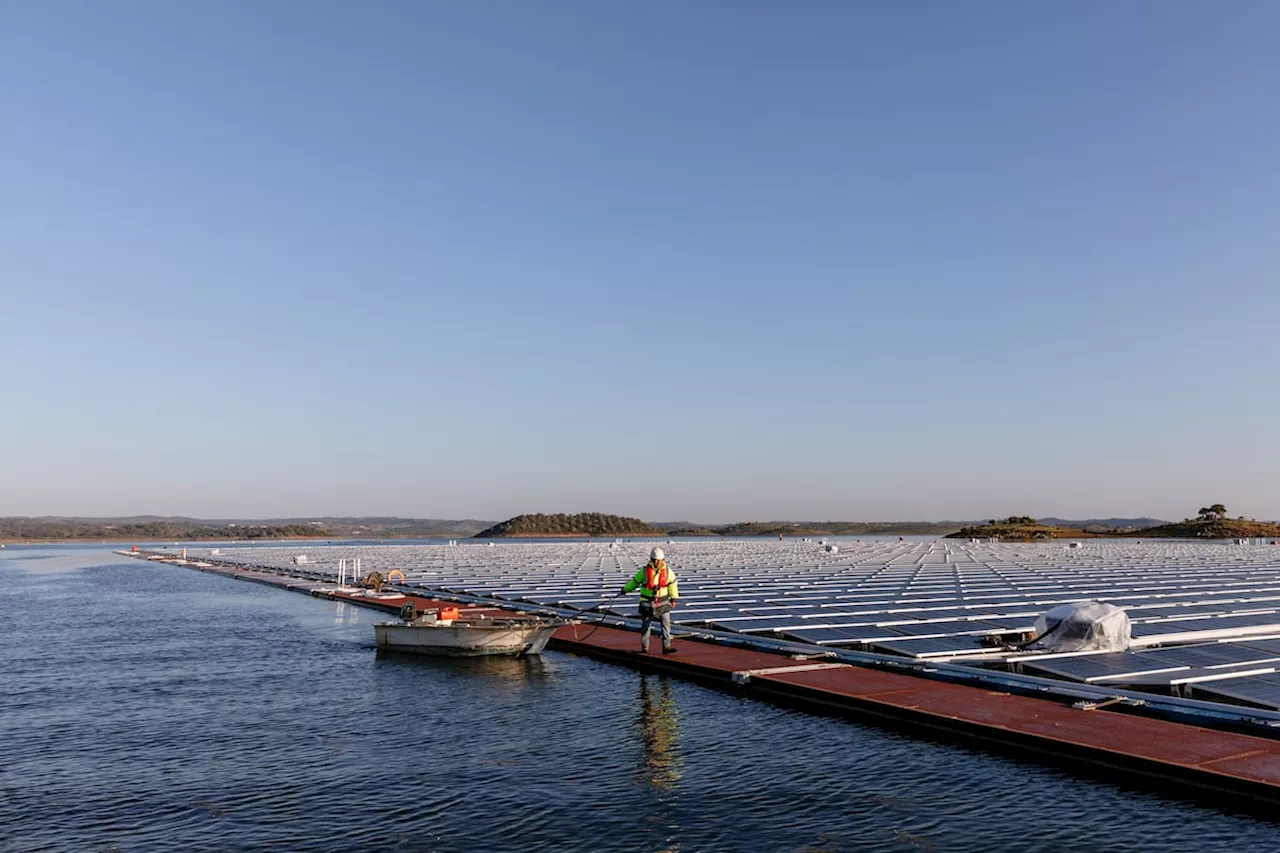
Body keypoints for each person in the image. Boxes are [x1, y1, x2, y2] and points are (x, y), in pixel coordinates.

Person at [622, 547, 680, 654]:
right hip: (647, 603)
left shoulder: (668, 571)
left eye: (659, 560)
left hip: (663, 602)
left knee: (666, 624)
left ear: (663, 560)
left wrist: (674, 598)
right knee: (646, 625)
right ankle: (645, 647)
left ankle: (666, 647)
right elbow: (634, 582)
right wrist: (625, 589)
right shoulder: (644, 571)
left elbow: (673, 585)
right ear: (651, 559)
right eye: (654, 560)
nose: (657, 562)